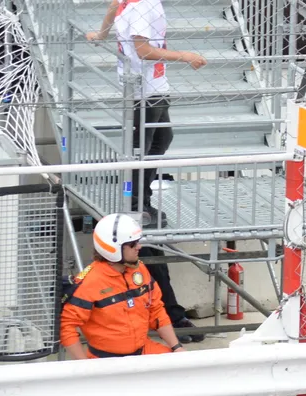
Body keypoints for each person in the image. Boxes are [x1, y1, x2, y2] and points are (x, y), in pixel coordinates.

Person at [87, 0, 207, 342]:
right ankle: (170, 316)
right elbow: (141, 48)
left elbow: (112, 11)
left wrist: (101, 33)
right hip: (143, 92)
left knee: (159, 141)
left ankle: (140, 196)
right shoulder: (144, 5)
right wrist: (186, 56)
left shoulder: (128, 4)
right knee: (148, 149)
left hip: (146, 89)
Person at [60, 213, 186, 359]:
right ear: (113, 248)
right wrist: (85, 368)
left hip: (144, 350)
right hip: (106, 360)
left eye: (138, 241)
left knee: (186, 370)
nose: (139, 247)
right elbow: (66, 326)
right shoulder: (89, 283)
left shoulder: (140, 270)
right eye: (133, 244)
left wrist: (177, 348)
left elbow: (156, 310)